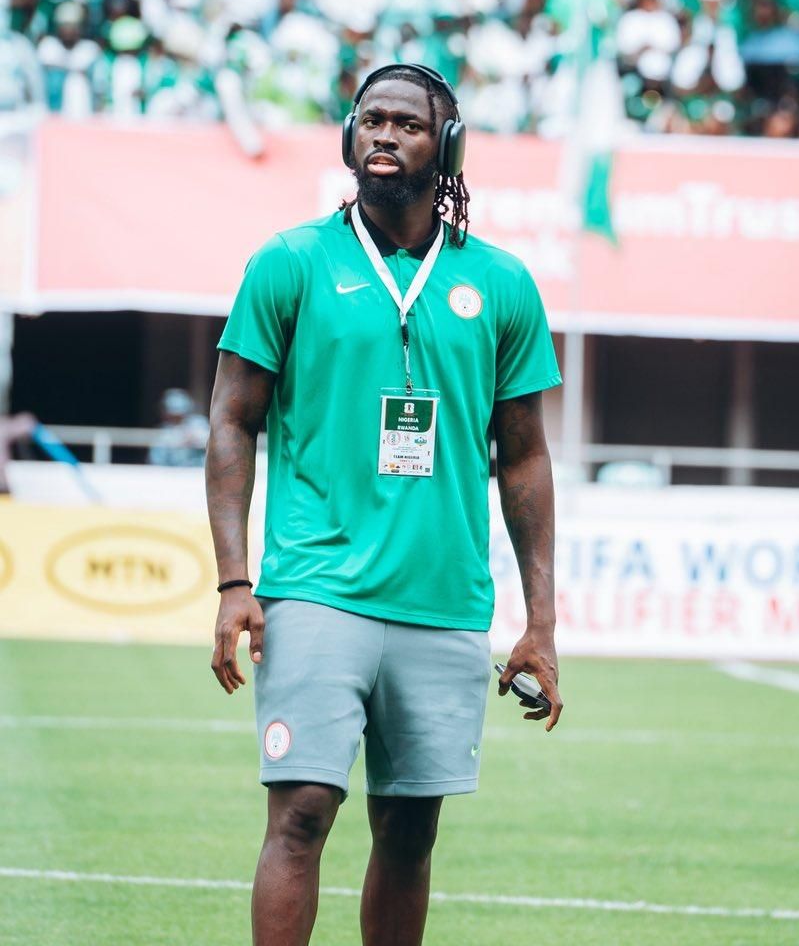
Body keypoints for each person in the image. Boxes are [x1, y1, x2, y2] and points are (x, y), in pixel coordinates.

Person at [205, 63, 563, 946]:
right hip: (319, 588)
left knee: (409, 836)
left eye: (406, 124)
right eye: (370, 120)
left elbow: (523, 461)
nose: (383, 136)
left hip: (445, 605)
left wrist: (541, 621)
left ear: (446, 146)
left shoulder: (505, 284)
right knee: (301, 815)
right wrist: (232, 580)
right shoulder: (290, 262)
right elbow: (231, 422)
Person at [148, 387, 209, 467]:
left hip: (197, 471)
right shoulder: (163, 432)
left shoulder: (199, 423)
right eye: (173, 415)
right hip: (173, 474)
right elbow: (156, 460)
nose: (177, 417)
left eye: (180, 414)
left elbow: (212, 445)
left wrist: (193, 440)